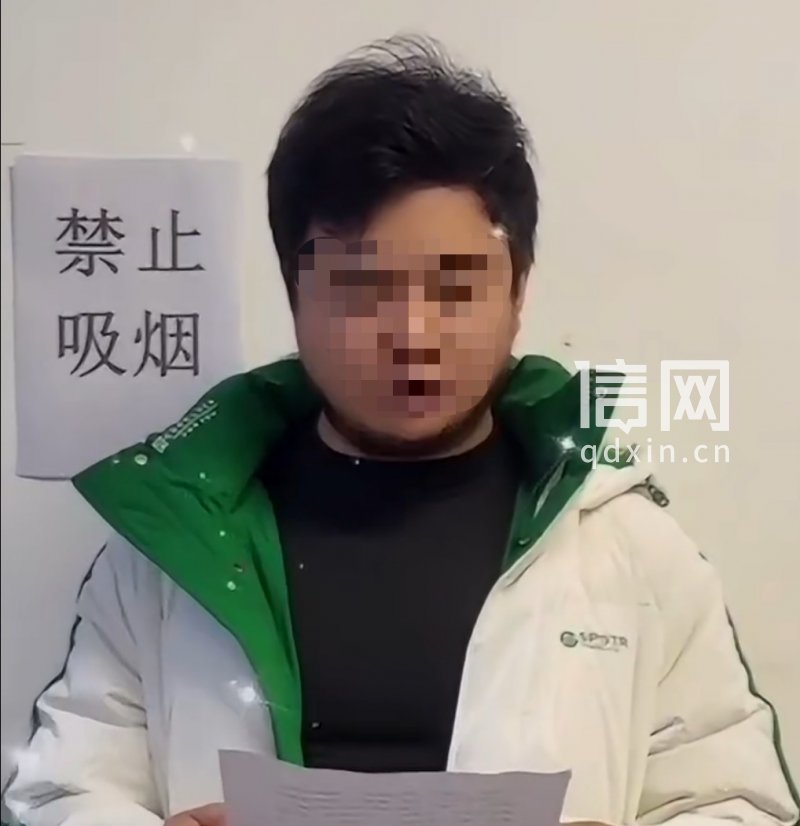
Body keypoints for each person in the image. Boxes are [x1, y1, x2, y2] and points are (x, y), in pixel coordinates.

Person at [3, 36, 797, 826]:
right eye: (360, 289)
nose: (413, 335)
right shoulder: (172, 548)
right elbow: (59, 794)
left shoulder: (625, 547)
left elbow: (734, 802)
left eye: (454, 289)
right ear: (295, 296)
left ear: (518, 293)